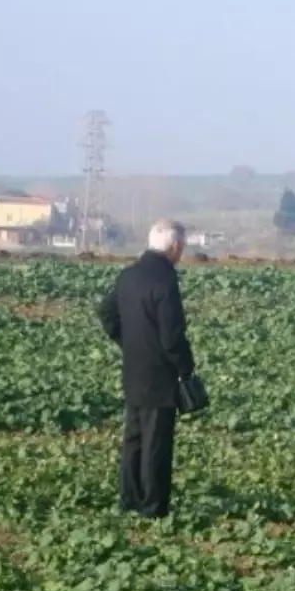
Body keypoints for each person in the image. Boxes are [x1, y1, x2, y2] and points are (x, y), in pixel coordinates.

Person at [96, 219, 196, 518]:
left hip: (134, 368)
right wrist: (185, 368)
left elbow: (106, 312)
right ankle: (153, 507)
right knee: (157, 442)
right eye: (182, 247)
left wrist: (126, 341)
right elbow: (171, 335)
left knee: (135, 438)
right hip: (160, 373)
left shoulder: (128, 276)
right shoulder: (165, 280)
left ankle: (129, 499)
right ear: (174, 246)